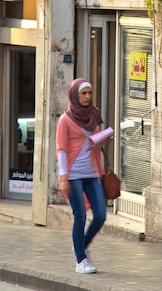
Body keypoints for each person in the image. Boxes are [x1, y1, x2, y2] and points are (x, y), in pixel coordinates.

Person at [56, 78, 107, 274]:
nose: (87, 97)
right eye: (83, 93)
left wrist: (104, 140)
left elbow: (93, 141)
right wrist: (63, 177)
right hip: (74, 175)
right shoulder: (65, 120)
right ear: (74, 95)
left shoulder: (93, 114)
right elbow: (61, 149)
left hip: (92, 173)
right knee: (80, 216)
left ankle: (81, 243)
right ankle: (81, 260)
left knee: (101, 214)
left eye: (89, 93)